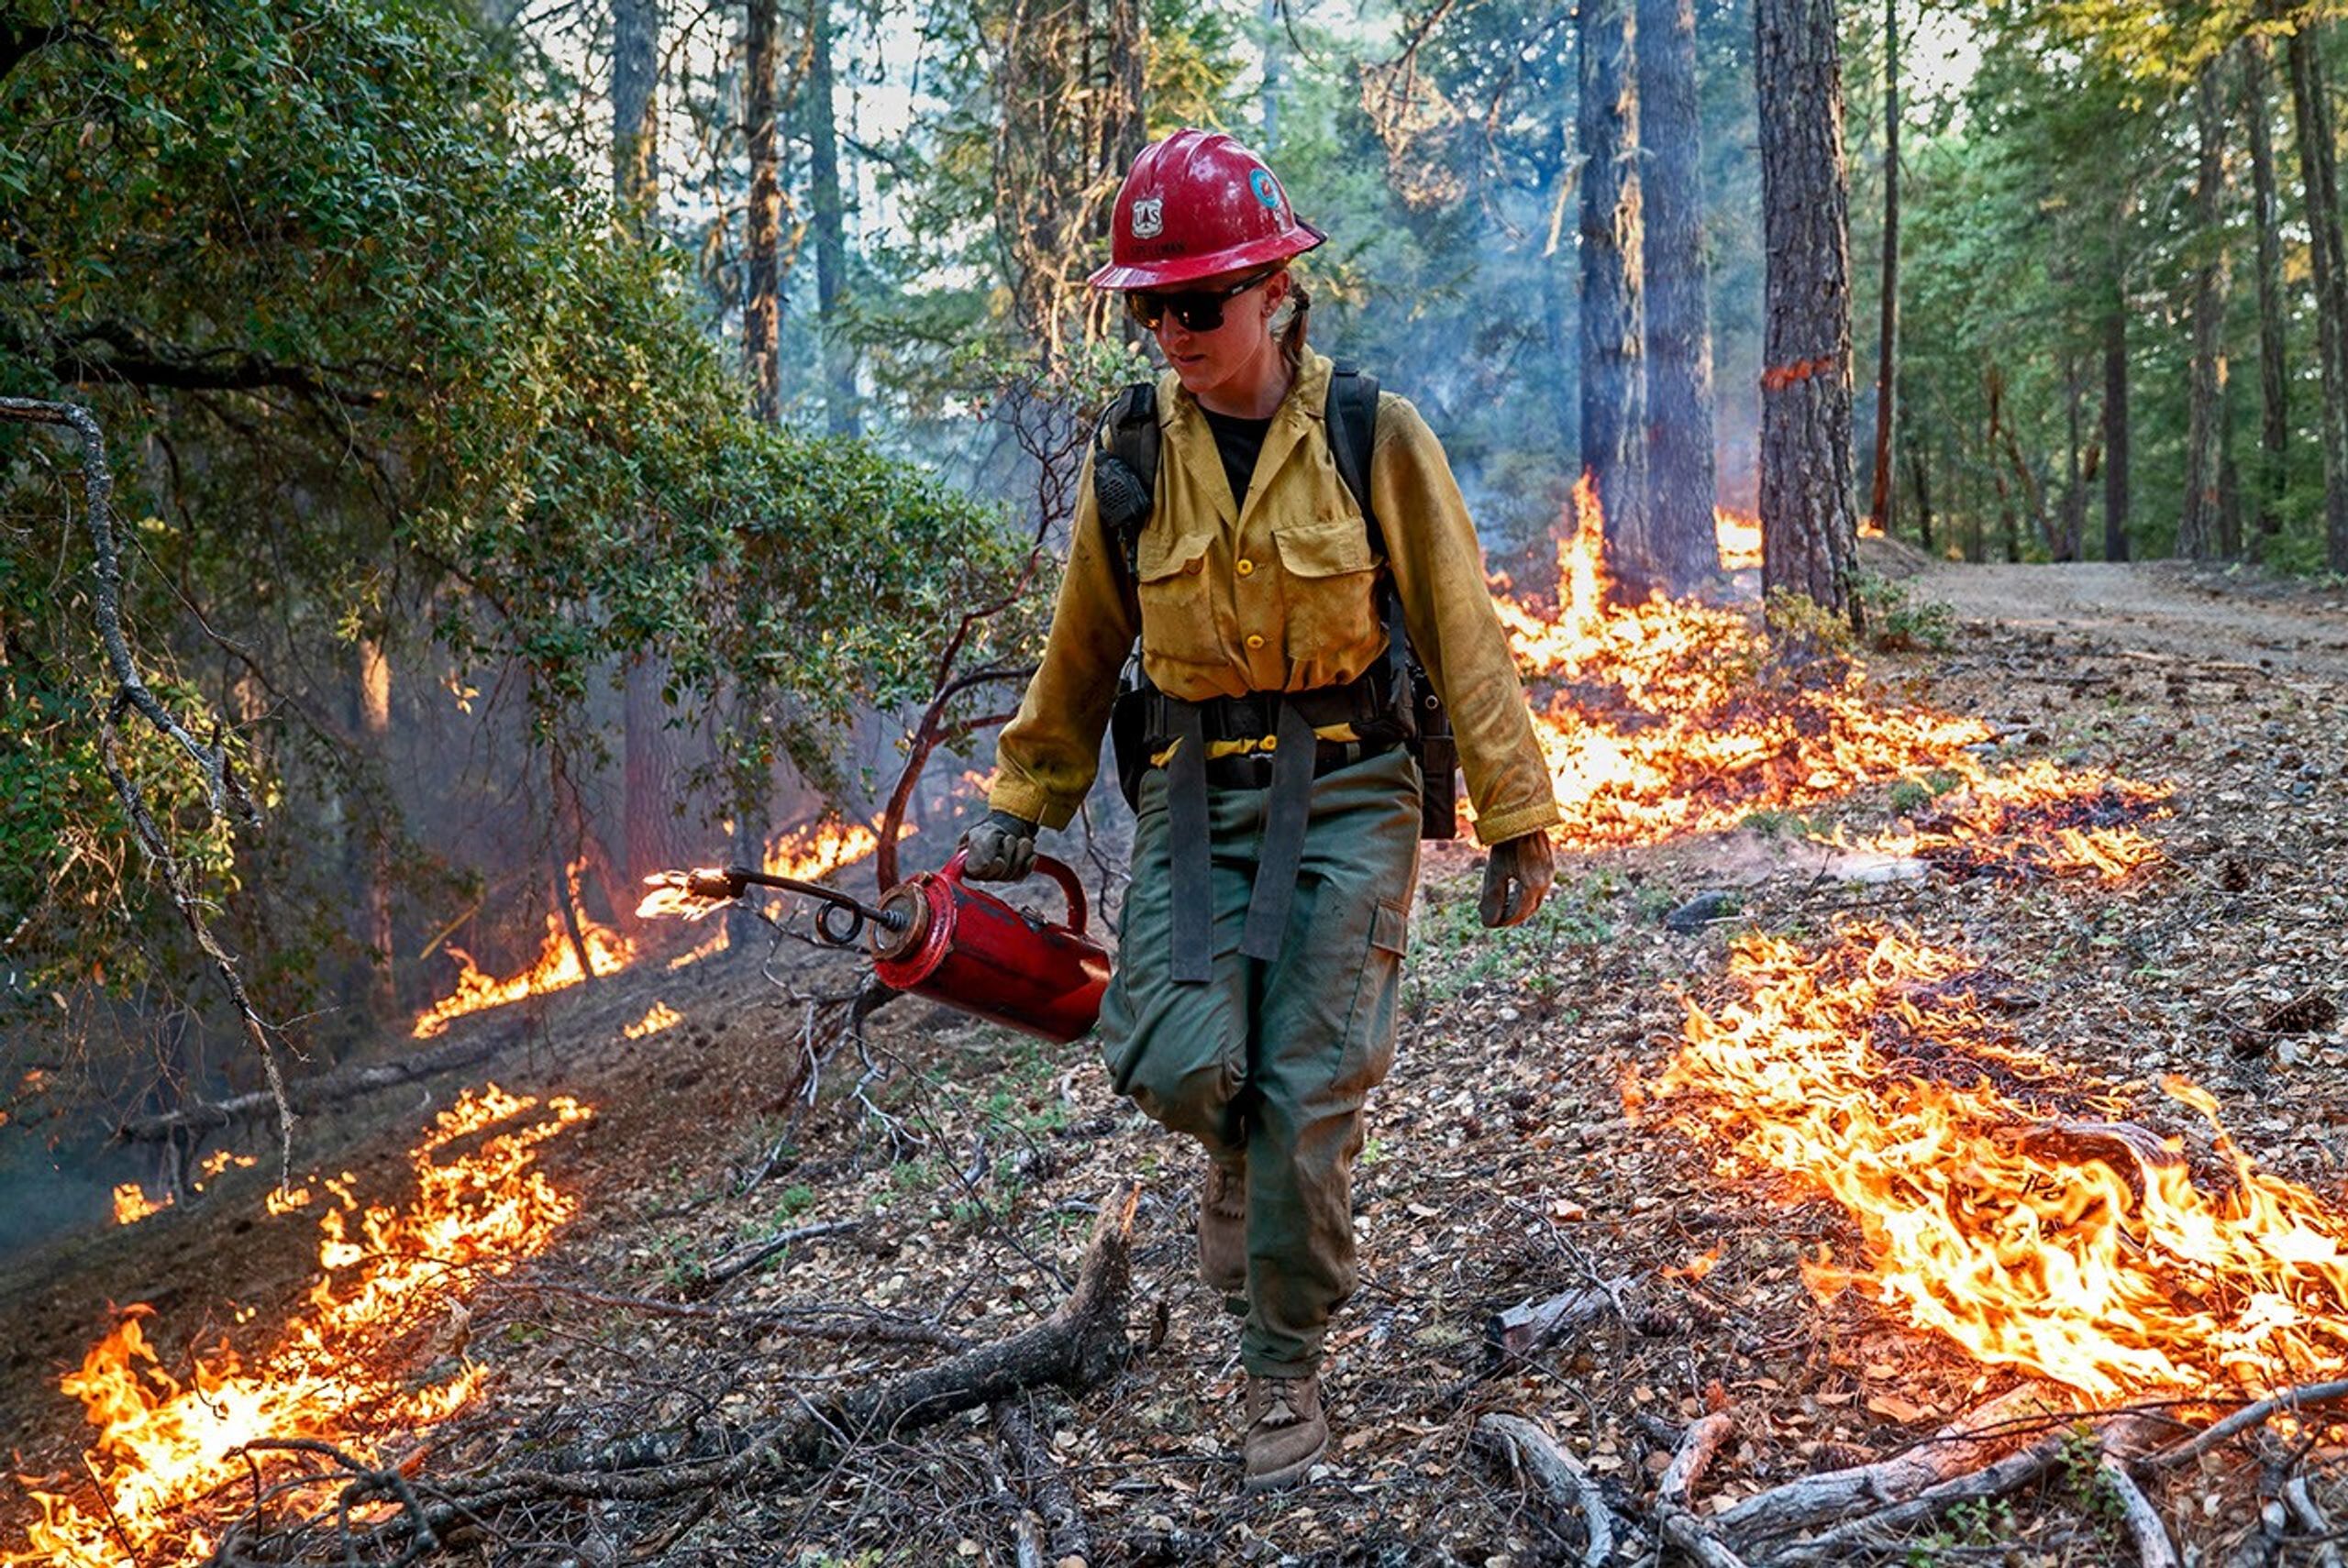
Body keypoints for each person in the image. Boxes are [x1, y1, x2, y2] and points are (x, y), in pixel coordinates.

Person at [961, 128, 1560, 1491]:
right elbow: (1084, 640)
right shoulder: (1130, 457)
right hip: (1190, 799)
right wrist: (1025, 796)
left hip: (1350, 787)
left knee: (1309, 1087)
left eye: (1201, 302)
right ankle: (1233, 1160)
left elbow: (1465, 628)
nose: (1174, 330)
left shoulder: (1372, 435)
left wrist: (1517, 813)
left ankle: (1281, 1366)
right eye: (1152, 306)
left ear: (1275, 291)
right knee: (1185, 1065)